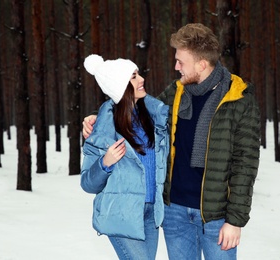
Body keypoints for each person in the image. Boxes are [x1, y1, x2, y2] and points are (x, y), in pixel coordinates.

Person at [82, 23, 260, 260]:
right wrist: (99, 116)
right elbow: (133, 107)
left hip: (216, 215)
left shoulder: (239, 100)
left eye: (181, 62)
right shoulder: (176, 93)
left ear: (202, 64)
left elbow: (245, 165)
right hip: (174, 212)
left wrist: (235, 220)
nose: (176, 67)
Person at [80, 54, 169, 260]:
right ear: (120, 86)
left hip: (150, 213)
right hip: (121, 216)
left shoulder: (152, 118)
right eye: (134, 77)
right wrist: (105, 163)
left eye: (138, 74)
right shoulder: (104, 128)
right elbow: (87, 184)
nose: (141, 79)